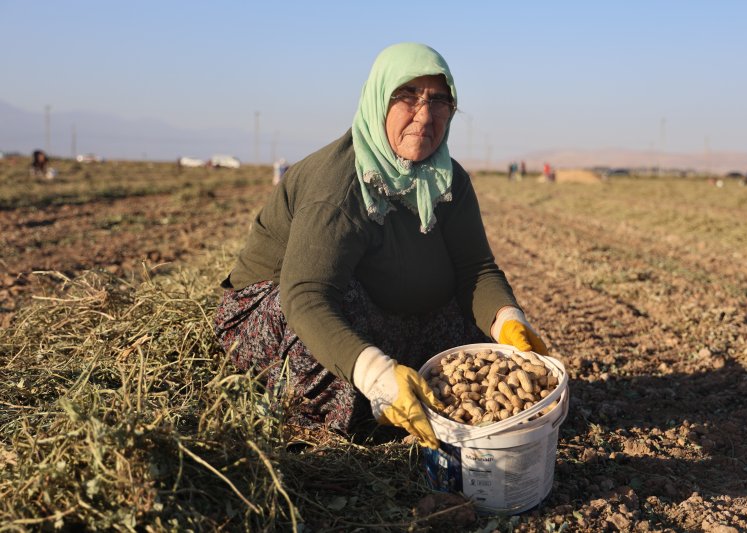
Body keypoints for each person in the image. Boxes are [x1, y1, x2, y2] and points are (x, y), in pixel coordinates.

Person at [214, 43, 548, 449]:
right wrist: (376, 375)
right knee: (343, 316)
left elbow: (475, 269)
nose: (424, 116)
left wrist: (509, 321)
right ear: (378, 100)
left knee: (473, 347)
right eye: (407, 97)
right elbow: (306, 296)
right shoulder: (339, 185)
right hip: (277, 315)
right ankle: (369, 407)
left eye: (439, 100)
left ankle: (404, 393)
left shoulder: (449, 181)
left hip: (384, 310)